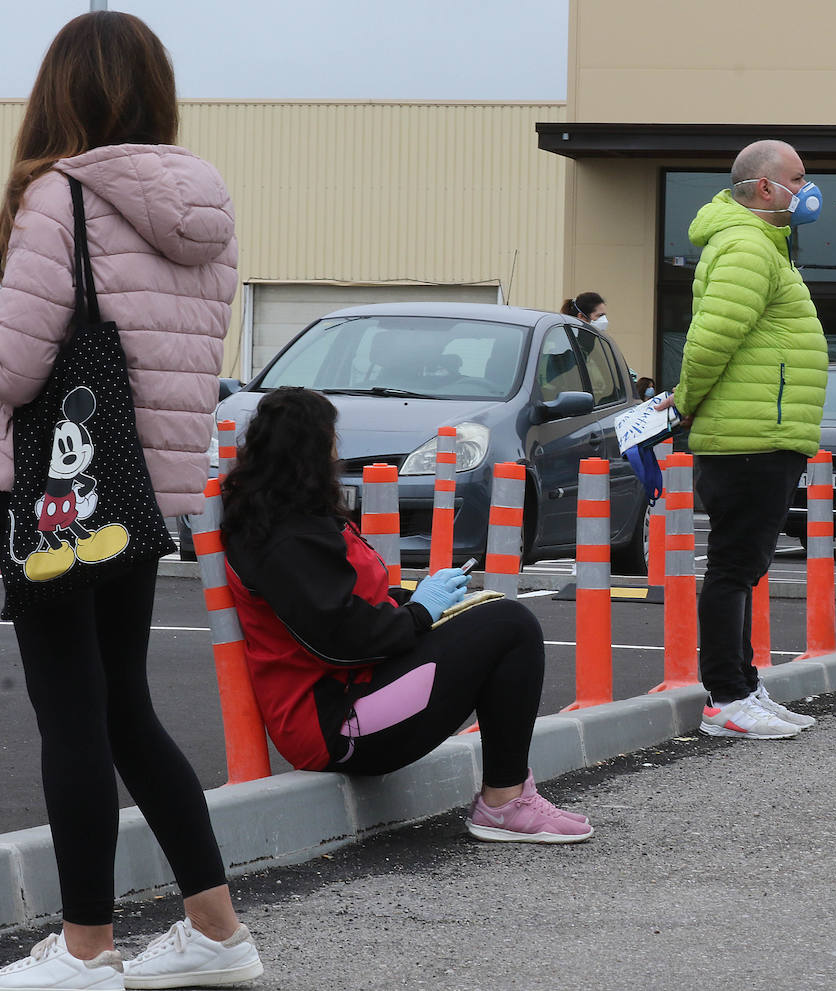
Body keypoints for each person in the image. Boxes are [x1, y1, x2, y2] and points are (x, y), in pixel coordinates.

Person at [0, 13, 262, 990]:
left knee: (72, 715)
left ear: (60, 93)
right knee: (122, 710)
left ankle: (84, 946)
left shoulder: (59, 198)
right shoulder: (204, 206)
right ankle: (215, 927)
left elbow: (16, 359)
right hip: (144, 492)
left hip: (60, 490)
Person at [220, 388, 593, 844]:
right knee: (511, 627)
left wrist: (415, 600)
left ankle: (508, 797)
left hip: (350, 693)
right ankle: (504, 801)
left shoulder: (283, 520)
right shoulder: (287, 538)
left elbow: (347, 603)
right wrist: (419, 611)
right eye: (332, 440)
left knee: (496, 617)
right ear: (313, 450)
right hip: (333, 722)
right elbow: (340, 639)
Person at [653, 139, 827, 738]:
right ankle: (724, 697)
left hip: (764, 432)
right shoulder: (748, 246)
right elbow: (708, 342)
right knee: (733, 568)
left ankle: (744, 686)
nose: (808, 191)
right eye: (798, 180)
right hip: (749, 435)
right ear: (763, 188)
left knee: (745, 567)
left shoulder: (763, 248)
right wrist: (687, 404)